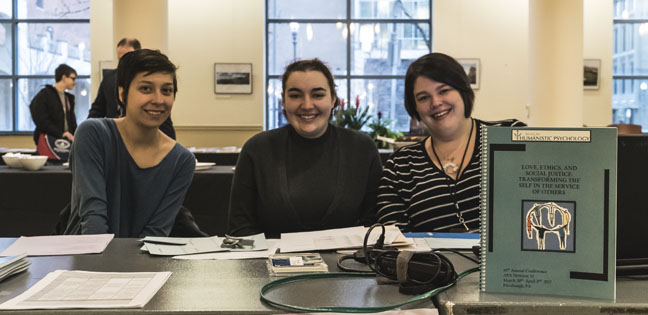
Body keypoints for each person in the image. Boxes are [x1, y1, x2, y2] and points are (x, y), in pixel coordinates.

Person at [228, 58, 382, 238]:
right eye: (295, 95)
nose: (307, 105)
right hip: (270, 263)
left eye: (317, 95)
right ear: (283, 101)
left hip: (347, 264)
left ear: (333, 99)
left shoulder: (362, 148)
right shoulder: (257, 149)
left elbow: (374, 224)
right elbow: (240, 227)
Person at [376, 52, 525, 232]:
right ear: (414, 107)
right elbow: (396, 243)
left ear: (462, 90)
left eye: (444, 90)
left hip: (510, 260)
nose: (436, 102)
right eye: (423, 98)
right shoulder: (400, 166)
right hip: (434, 261)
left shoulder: (511, 136)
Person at [65, 49, 195, 237]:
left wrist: (133, 264)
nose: (158, 100)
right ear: (122, 93)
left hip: (141, 261)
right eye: (146, 89)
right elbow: (93, 222)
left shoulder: (182, 161)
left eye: (166, 90)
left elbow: (156, 235)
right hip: (86, 258)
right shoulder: (93, 134)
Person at [88, 38, 176, 139]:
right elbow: (97, 110)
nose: (158, 100)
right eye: (120, 59)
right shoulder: (109, 78)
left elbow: (165, 123)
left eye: (166, 90)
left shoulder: (154, 81)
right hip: (113, 137)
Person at [29, 64, 78, 144]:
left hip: (66, 142)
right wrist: (60, 133)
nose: (74, 82)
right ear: (64, 77)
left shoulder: (69, 98)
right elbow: (41, 120)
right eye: (73, 78)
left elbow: (72, 122)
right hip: (48, 141)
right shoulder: (44, 95)